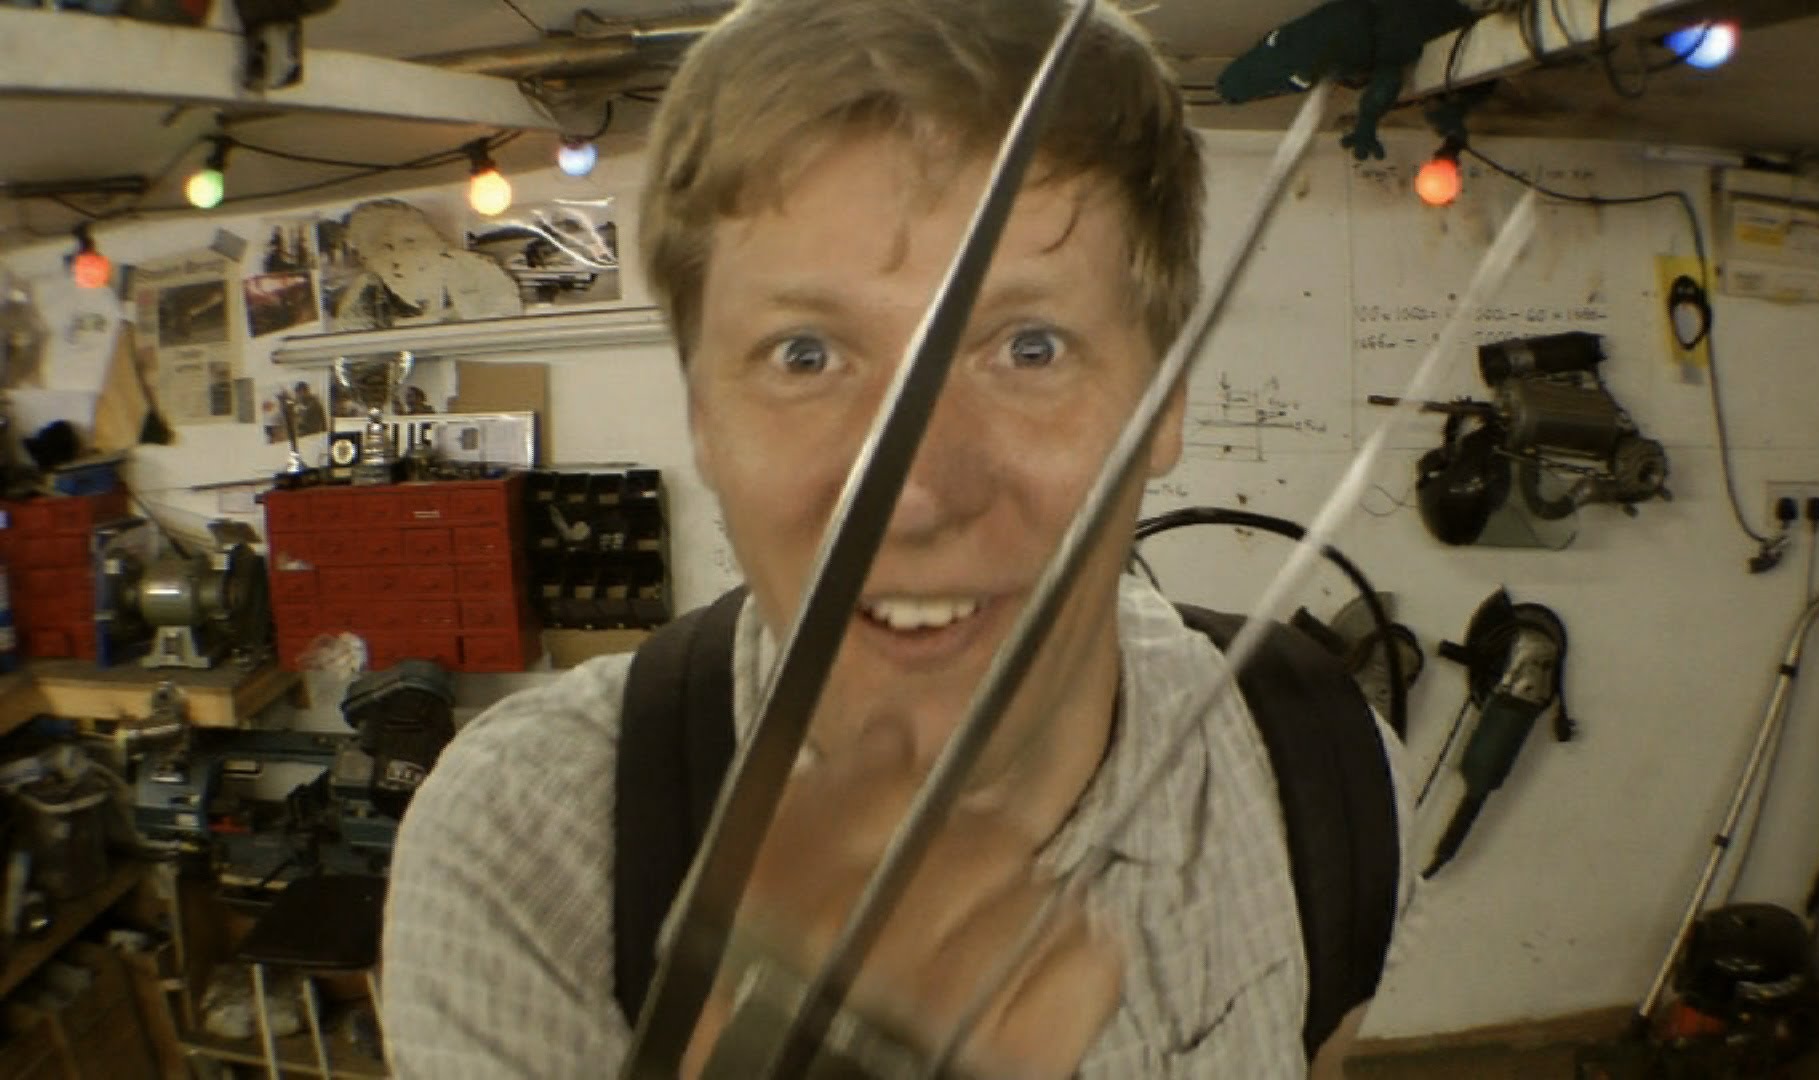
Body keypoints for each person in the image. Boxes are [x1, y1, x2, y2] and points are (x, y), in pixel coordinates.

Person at [380, 1, 1408, 1076]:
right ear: (702, 419)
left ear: (1165, 403)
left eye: (1030, 347)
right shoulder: (531, 846)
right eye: (807, 355)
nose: (914, 494)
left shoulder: (1326, 773)